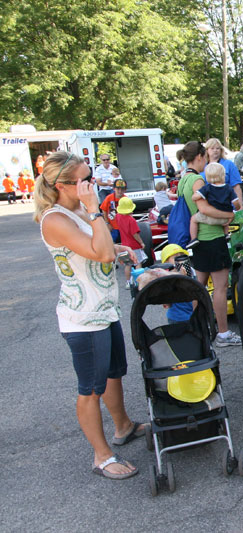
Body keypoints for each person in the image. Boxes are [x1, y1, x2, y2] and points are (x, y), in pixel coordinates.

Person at [34, 151, 146, 481]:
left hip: (104, 309)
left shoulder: (77, 210)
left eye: (90, 177)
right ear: (62, 185)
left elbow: (102, 249)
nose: (92, 184)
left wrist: (120, 250)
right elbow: (101, 250)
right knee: (90, 390)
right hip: (82, 318)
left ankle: (122, 426)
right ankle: (102, 456)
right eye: (85, 180)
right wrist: (97, 211)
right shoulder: (55, 220)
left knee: (114, 373)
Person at [176, 141, 241, 347]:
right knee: (220, 288)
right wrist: (229, 215)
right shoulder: (197, 180)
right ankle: (223, 333)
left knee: (199, 287)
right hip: (212, 238)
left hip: (197, 241)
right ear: (200, 157)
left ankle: (198, 328)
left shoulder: (183, 180)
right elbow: (204, 210)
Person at [187, 162, 241, 249]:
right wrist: (237, 208)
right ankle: (226, 234)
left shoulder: (207, 188)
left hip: (211, 218)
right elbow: (236, 203)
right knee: (229, 212)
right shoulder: (228, 188)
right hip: (225, 220)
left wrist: (193, 197)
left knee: (193, 219)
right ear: (223, 175)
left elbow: (196, 196)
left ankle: (193, 238)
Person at [204, 137, 243, 209]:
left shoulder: (229, 164)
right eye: (212, 148)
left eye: (217, 148)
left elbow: (236, 186)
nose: (215, 150)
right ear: (207, 150)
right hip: (208, 205)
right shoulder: (202, 165)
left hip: (227, 204)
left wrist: (240, 205)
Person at [115, 197, 146, 287]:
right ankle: (138, 281)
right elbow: (135, 234)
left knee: (128, 264)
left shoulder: (118, 217)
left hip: (124, 245)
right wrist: (141, 242)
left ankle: (128, 282)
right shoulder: (131, 220)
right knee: (138, 262)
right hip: (134, 246)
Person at [100, 178, 127, 243]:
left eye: (122, 189)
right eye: (118, 189)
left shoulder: (126, 199)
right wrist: (107, 223)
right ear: (114, 189)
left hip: (123, 227)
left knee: (125, 243)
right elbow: (104, 210)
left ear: (125, 190)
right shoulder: (109, 198)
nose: (120, 191)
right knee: (111, 243)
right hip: (112, 227)